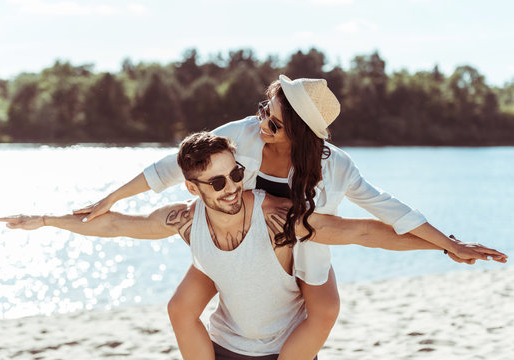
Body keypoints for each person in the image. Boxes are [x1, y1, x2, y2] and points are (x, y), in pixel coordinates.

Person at [73, 75, 507, 358]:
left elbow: (386, 211)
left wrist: (448, 244)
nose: (262, 123)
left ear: (300, 132)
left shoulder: (336, 167)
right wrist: (107, 200)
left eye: (275, 123)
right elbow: (172, 167)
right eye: (264, 110)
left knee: (324, 307)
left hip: (305, 246)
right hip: (245, 245)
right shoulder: (242, 133)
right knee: (187, 305)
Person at [0, 132, 507, 359]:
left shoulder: (281, 219)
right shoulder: (183, 220)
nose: (232, 186)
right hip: (222, 349)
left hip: (283, 352)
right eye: (216, 182)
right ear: (193, 188)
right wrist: (45, 220)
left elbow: (364, 232)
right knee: (180, 309)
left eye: (236, 173)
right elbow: (113, 227)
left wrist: (447, 247)